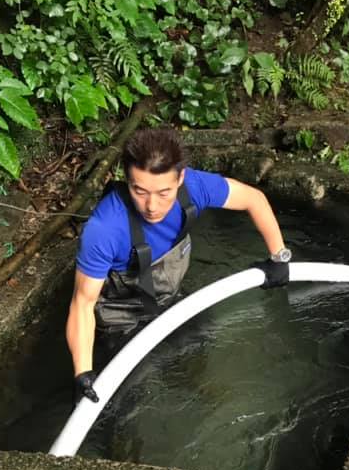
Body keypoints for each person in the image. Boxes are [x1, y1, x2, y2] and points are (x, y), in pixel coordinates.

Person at [66, 127, 292, 405]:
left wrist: (279, 257)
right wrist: (83, 373)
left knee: (197, 353)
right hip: (121, 319)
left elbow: (253, 199)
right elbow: (82, 303)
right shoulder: (104, 229)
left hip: (170, 298)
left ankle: (201, 395)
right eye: (140, 191)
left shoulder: (195, 187)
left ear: (180, 178)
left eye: (164, 192)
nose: (151, 206)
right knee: (133, 396)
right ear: (127, 179)